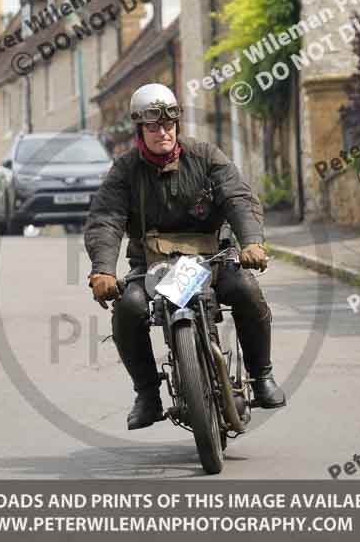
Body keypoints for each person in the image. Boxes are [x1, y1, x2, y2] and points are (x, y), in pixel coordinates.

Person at [84, 83, 286, 430]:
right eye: (153, 126)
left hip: (213, 259)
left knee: (246, 290)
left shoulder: (206, 156)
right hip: (152, 267)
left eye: (168, 124)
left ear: (177, 124)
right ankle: (147, 395)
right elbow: (106, 219)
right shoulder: (124, 170)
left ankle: (262, 375)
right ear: (139, 129)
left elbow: (237, 197)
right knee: (128, 308)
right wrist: (102, 270)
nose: (162, 132)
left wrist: (251, 242)